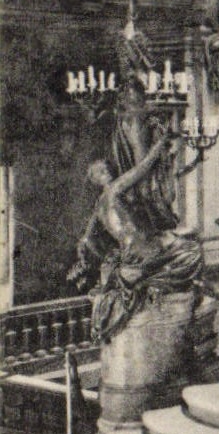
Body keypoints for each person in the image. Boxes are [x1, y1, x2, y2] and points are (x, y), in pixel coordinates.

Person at [69, 133, 204, 345]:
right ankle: (157, 282)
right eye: (103, 172)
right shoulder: (114, 190)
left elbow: (86, 239)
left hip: (130, 253)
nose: (109, 172)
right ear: (97, 180)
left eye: (108, 168)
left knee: (174, 242)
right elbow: (141, 170)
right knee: (192, 250)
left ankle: (148, 279)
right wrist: (158, 147)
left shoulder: (99, 204)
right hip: (145, 249)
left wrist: (95, 253)